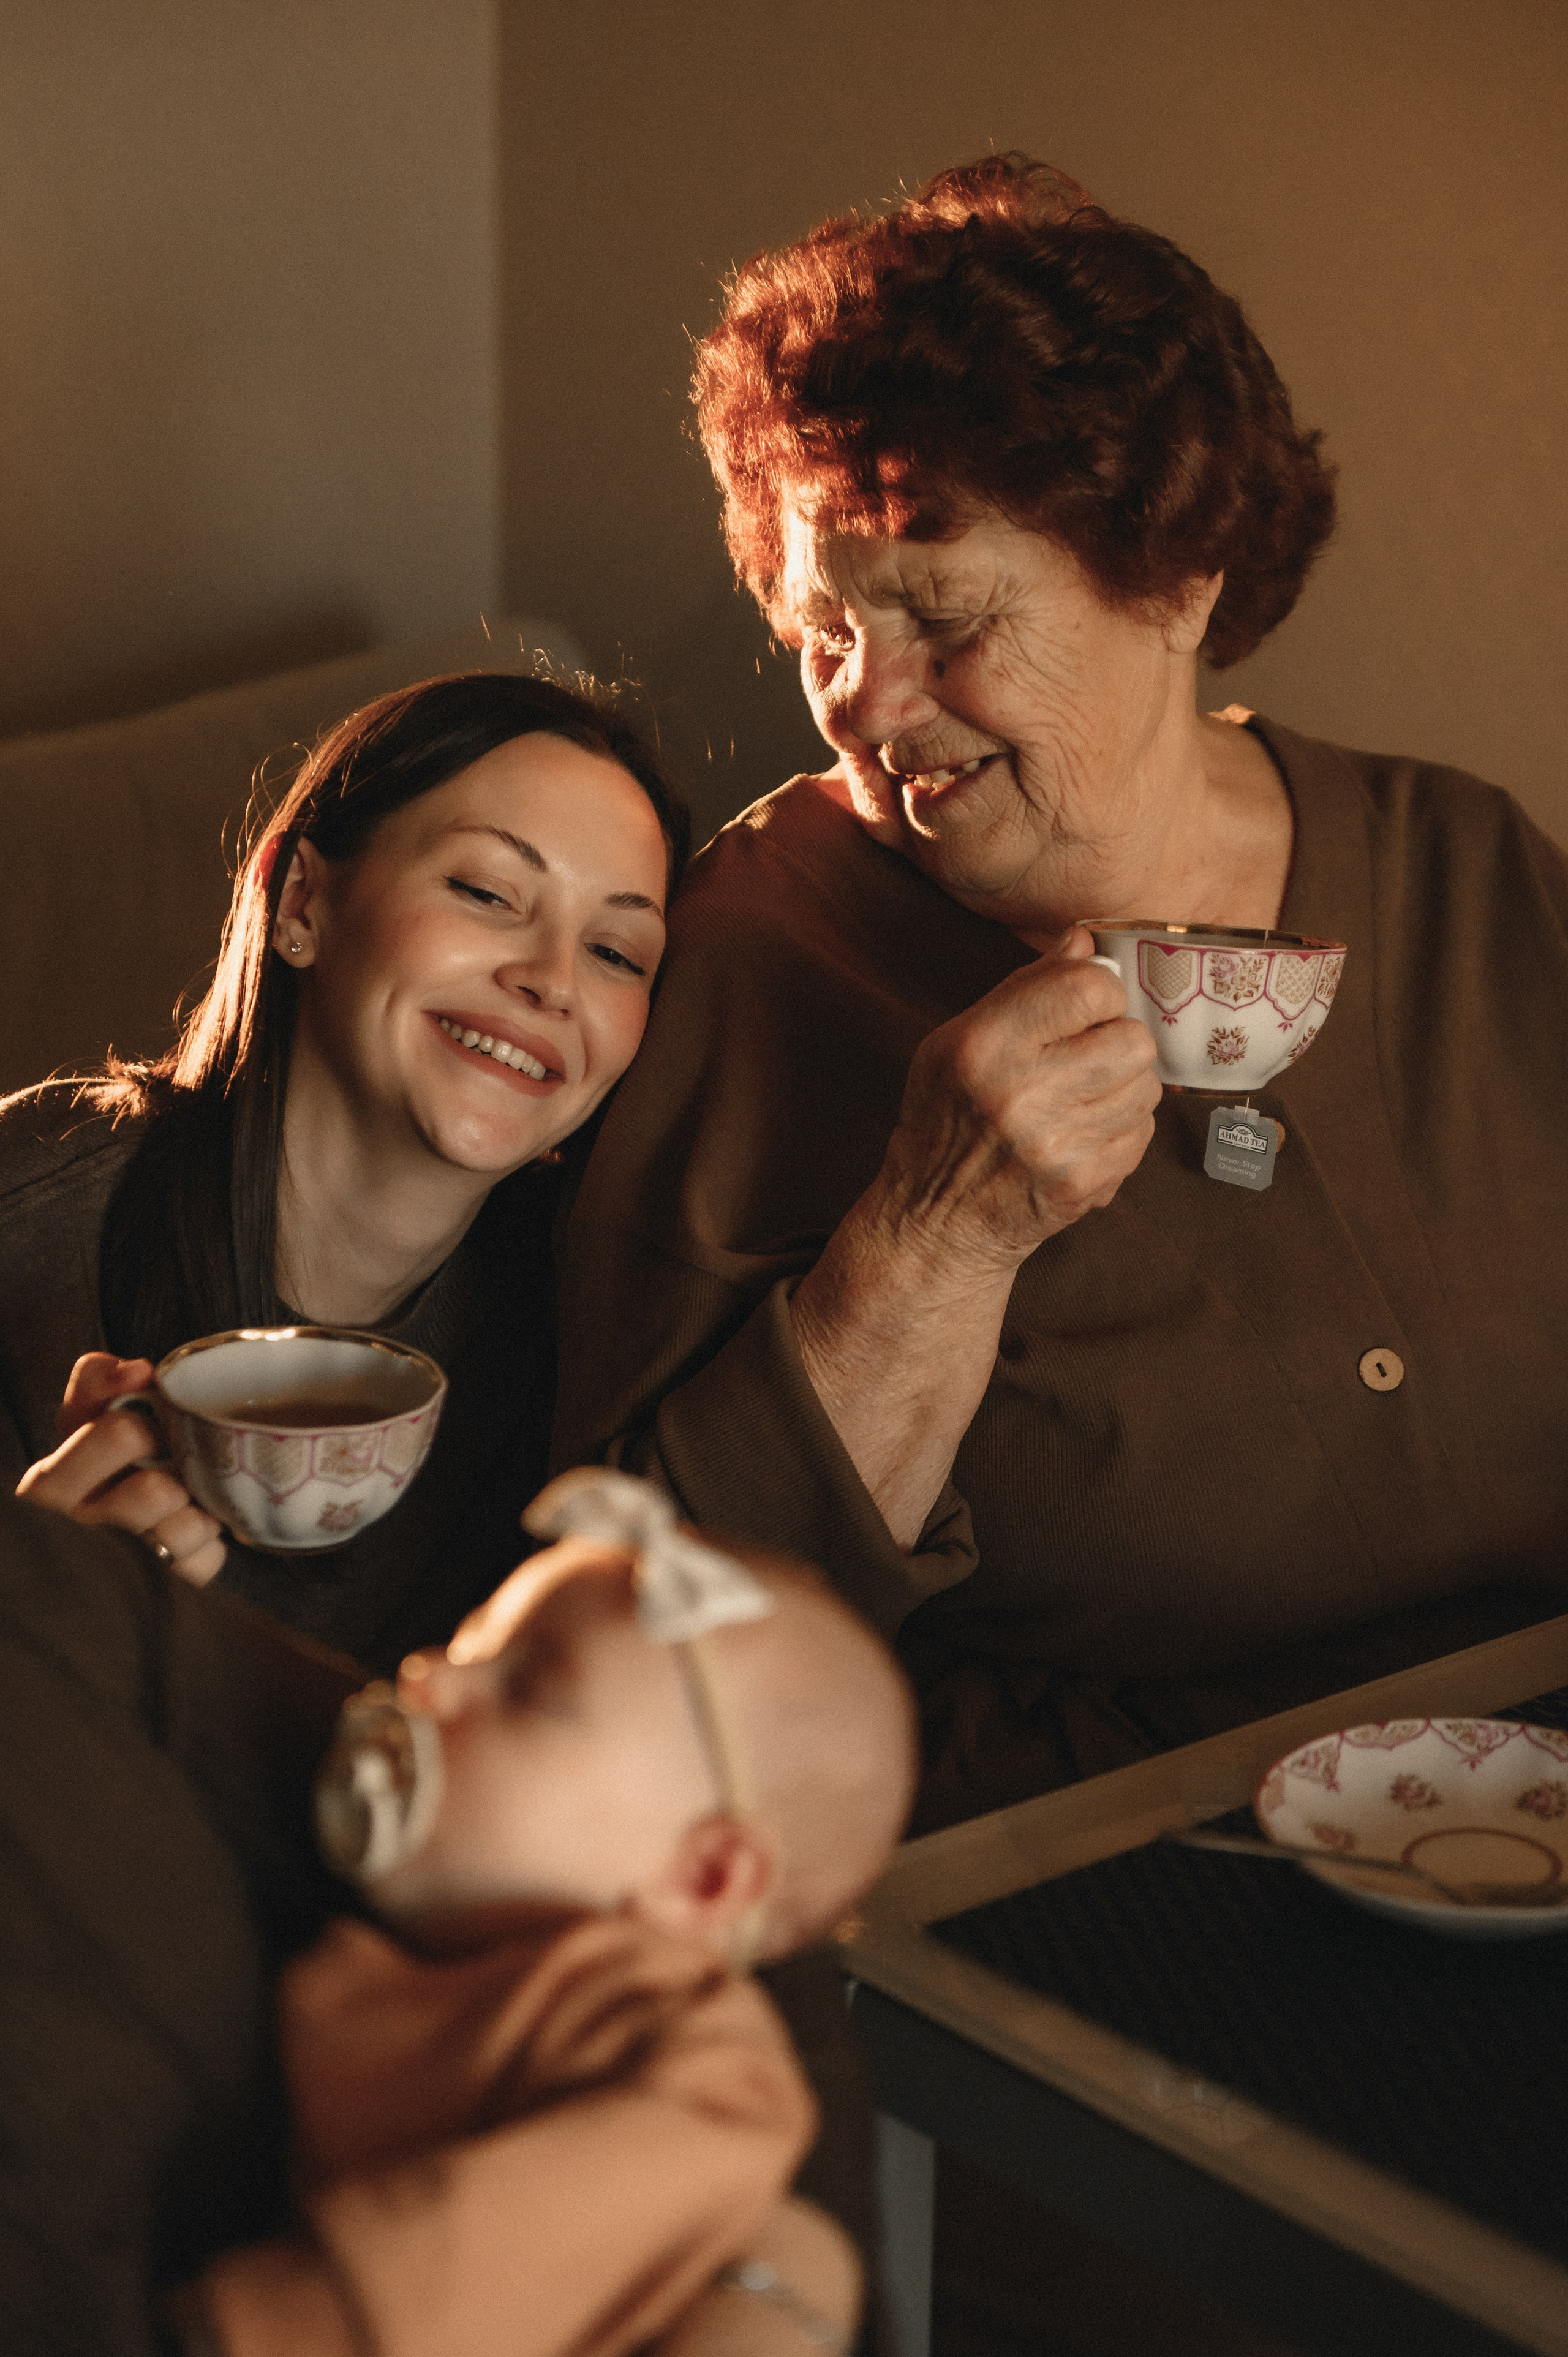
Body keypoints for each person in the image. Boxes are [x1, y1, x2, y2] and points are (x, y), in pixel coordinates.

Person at [552, 153, 1568, 1833]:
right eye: (821, 633)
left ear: (1180, 580)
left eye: (941, 619)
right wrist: (933, 1240)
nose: (865, 706)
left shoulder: (1461, 870)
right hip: (1117, 1863)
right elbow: (645, 1652)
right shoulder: (751, 959)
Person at [3, 672, 688, 1671]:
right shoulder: (26, 1215)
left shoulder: (590, 1342)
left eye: (617, 952)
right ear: (300, 900)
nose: (552, 980)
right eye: (487, 893)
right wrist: (28, 1616)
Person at [177, 1471, 915, 2357]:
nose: (431, 1675)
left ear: (703, 1879)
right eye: (468, 1643)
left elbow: (498, 2243)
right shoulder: (428, 1949)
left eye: (526, 1688)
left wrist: (301, 2320)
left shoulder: (663, 2029)